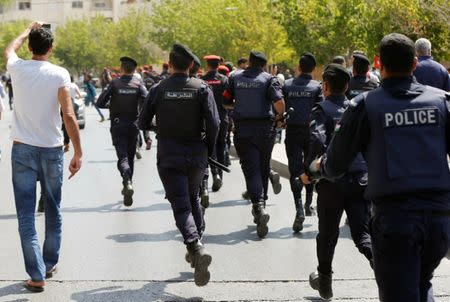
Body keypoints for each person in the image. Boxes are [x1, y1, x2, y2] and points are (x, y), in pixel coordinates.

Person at [314, 33, 450, 302]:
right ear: (414, 64)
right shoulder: (442, 102)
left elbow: (336, 164)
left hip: (395, 221)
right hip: (438, 221)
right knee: (422, 283)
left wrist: (320, 165)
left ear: (381, 65)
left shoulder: (365, 106)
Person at [4, 22, 82, 292]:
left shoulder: (17, 67)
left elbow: (8, 48)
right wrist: (78, 152)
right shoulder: (59, 73)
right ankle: (48, 263)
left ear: (30, 47)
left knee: (25, 214)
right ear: (51, 48)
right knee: (53, 208)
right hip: (51, 150)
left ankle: (36, 274)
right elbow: (69, 114)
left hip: (22, 149)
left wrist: (25, 31)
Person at [138, 44, 219, 286]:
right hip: (196, 155)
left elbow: (141, 122)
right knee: (193, 198)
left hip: (170, 155)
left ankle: (195, 245)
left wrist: (160, 127)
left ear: (171, 65)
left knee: (182, 206)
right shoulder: (202, 88)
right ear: (191, 66)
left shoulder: (159, 89)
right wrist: (208, 149)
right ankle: (197, 245)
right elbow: (214, 123)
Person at [300, 64, 373, 300]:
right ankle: (385, 272)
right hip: (361, 180)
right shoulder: (358, 109)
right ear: (348, 86)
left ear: (326, 86)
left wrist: (310, 173)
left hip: (332, 182)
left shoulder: (321, 109)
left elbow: (317, 141)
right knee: (363, 234)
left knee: (328, 234)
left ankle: (325, 282)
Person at [223, 51, 285, 238]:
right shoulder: (269, 79)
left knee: (251, 168)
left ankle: (258, 205)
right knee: (263, 166)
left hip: (243, 129)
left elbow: (226, 102)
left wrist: (240, 106)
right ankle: (262, 204)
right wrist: (280, 117)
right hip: (265, 130)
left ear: (249, 62)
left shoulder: (234, 78)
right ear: (264, 65)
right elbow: (280, 102)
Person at [97, 56, 148, 207]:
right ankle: (129, 183)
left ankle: (127, 180)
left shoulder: (114, 83)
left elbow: (100, 102)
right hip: (133, 125)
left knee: (122, 157)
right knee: (130, 157)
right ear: (133, 69)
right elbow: (147, 101)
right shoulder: (139, 84)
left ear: (122, 68)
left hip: (118, 124)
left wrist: (112, 107)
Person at [283, 52, 322, 232]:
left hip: (292, 132)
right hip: (311, 133)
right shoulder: (316, 87)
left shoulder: (288, 85)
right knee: (310, 167)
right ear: (313, 70)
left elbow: (280, 108)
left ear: (298, 67)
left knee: (295, 169)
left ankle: (299, 208)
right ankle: (307, 205)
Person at [202, 55, 229, 198]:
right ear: (218, 65)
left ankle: (213, 174)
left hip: (207, 120)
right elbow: (229, 99)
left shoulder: (202, 80)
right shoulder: (224, 80)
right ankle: (219, 176)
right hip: (222, 118)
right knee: (221, 147)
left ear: (207, 65)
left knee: (207, 148)